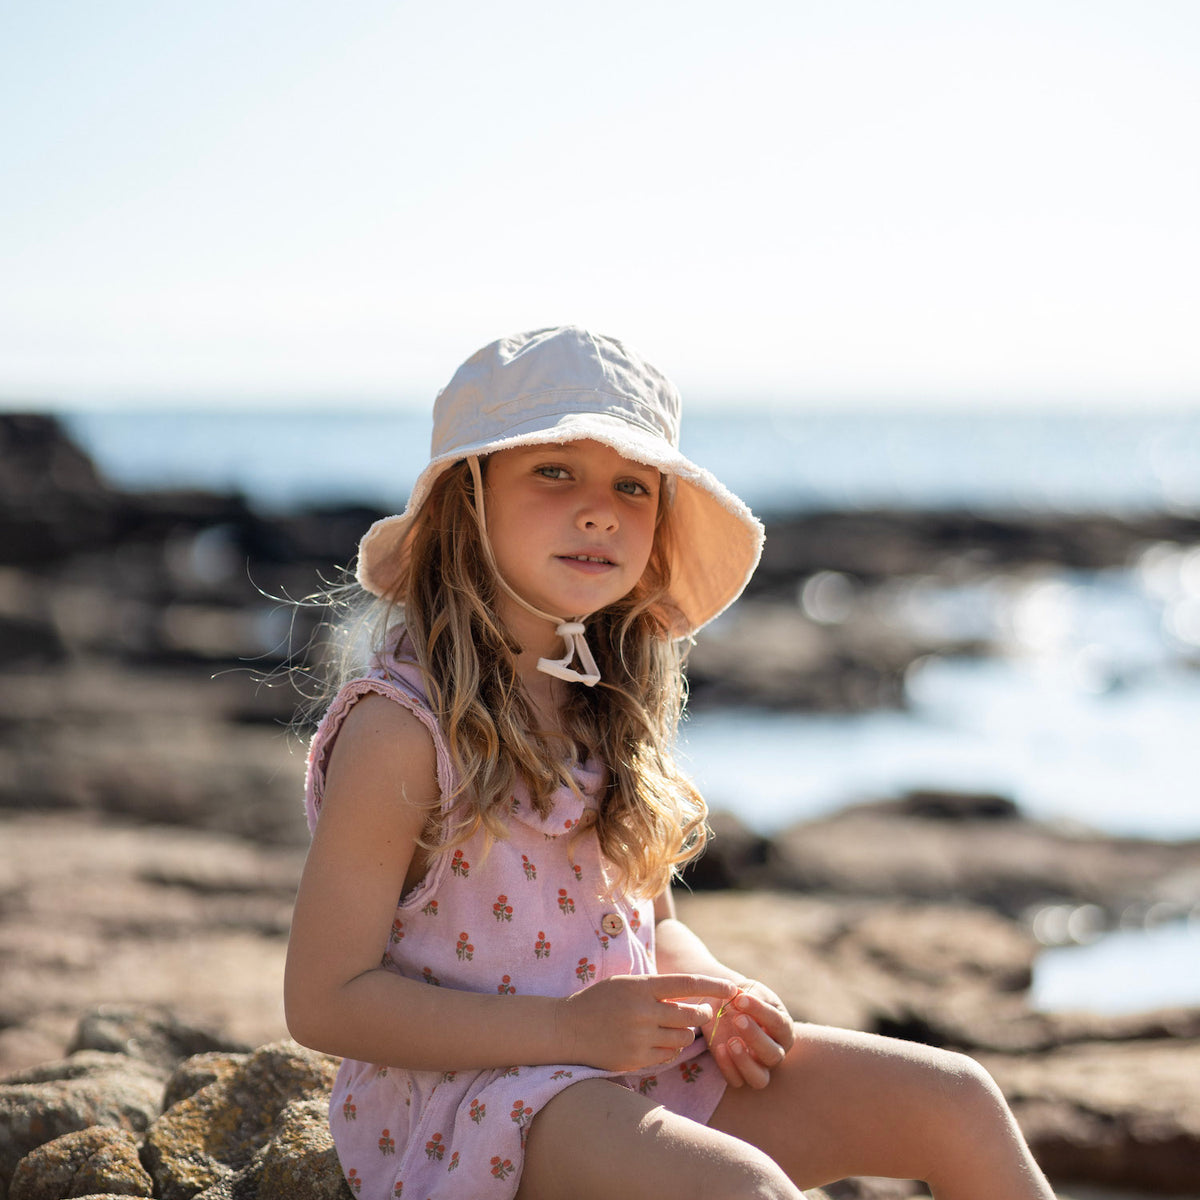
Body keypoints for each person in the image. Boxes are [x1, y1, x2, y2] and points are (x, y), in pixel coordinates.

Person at [284, 326, 1054, 1200]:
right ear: (469, 499)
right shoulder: (402, 729)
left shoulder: (599, 704)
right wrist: (566, 1029)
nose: (600, 511)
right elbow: (324, 1000)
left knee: (957, 1098)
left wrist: (719, 992)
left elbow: (653, 925)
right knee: (745, 1190)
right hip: (475, 1106)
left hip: (624, 1074)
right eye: (554, 471)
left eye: (632, 485)